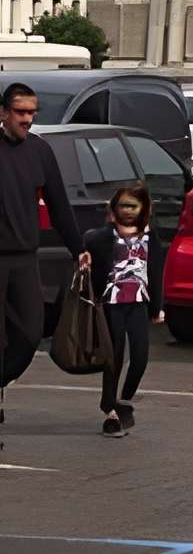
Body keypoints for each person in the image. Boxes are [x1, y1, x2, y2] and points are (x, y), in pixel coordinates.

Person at [0, 80, 87, 438]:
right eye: (21, 112)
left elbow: (59, 205)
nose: (28, 120)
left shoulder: (40, 151)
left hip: (23, 259)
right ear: (3, 113)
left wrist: (78, 247)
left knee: (29, 333)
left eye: (32, 113)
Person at [84, 183, 162, 435]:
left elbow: (156, 273)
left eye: (133, 205)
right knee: (113, 358)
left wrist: (158, 307)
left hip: (138, 303)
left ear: (144, 208)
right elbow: (89, 256)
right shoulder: (103, 237)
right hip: (111, 305)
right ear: (113, 208)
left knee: (140, 357)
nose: (128, 210)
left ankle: (124, 400)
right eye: (123, 205)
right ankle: (110, 411)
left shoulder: (150, 237)